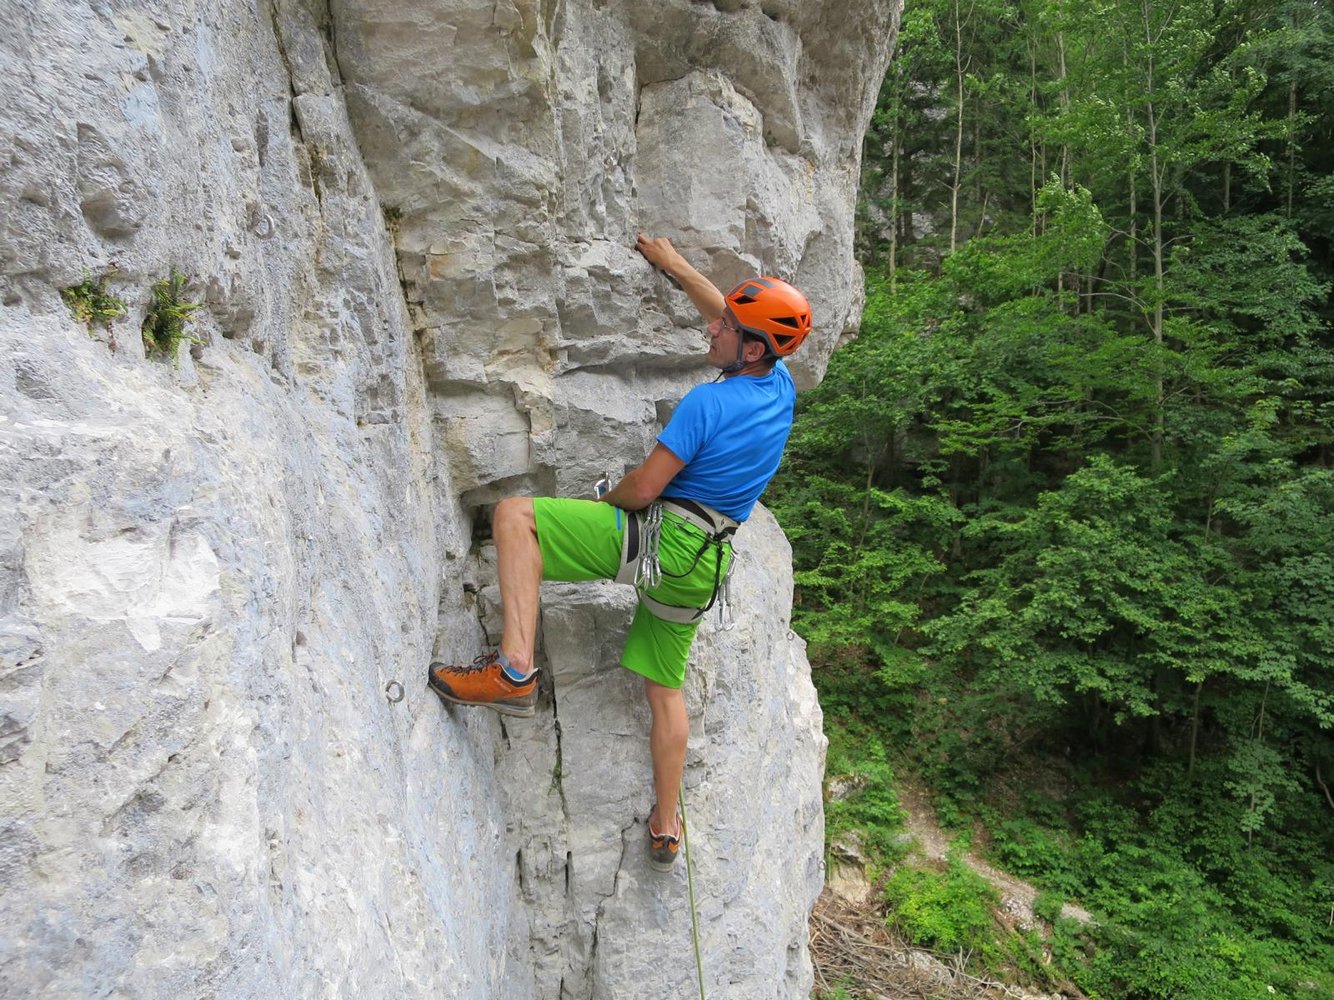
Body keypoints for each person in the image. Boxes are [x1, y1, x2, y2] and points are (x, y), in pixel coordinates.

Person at [428, 233, 812, 871]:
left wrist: (605, 504)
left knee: (516, 517)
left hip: (663, 541)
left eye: (726, 327)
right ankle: (666, 825)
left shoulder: (708, 402)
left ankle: (514, 670)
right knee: (665, 691)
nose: (712, 327)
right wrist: (674, 265)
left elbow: (645, 488)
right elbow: (725, 312)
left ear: (750, 348)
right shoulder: (779, 387)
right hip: (706, 566)